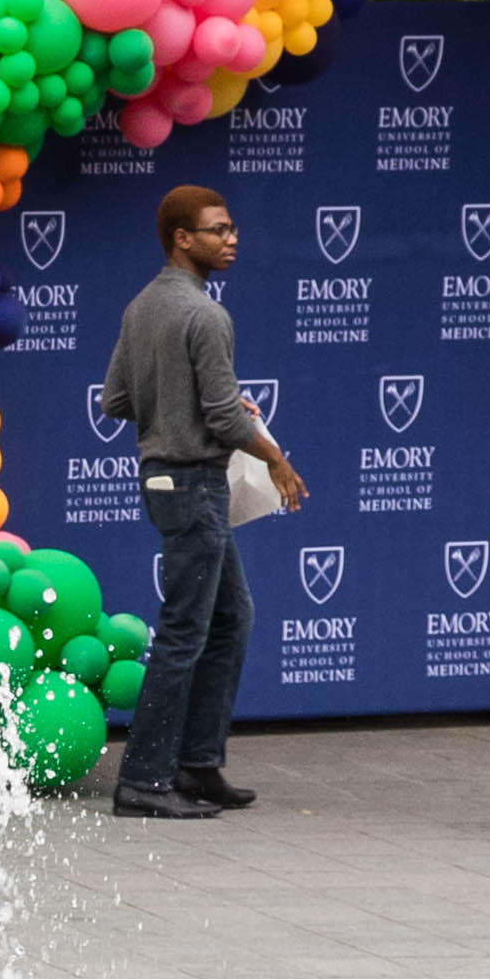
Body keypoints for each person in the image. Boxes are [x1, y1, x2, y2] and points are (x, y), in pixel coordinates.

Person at [96, 184, 306, 819]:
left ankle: (197, 764)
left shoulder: (142, 307)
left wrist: (183, 403)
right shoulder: (206, 315)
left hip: (170, 481)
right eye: (217, 230)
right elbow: (219, 412)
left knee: (231, 617)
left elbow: (116, 400)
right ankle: (143, 780)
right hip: (193, 485)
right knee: (186, 633)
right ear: (182, 239)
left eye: (232, 228)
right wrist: (276, 459)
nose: (231, 238)